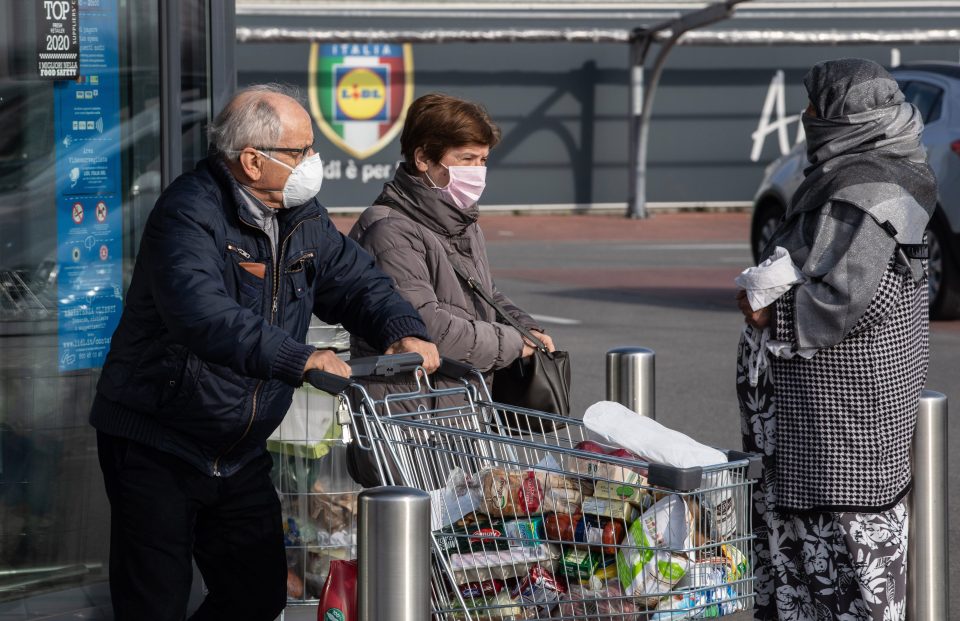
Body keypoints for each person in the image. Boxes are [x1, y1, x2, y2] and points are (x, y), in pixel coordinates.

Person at [88, 84, 439, 621]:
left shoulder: (301, 216)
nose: (313, 163)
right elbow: (201, 313)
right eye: (301, 152)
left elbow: (354, 280)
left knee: (256, 593)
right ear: (253, 160)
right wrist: (298, 358)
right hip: (159, 440)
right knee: (153, 602)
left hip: (238, 448)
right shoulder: (188, 213)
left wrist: (401, 327)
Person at [735, 58, 936, 621]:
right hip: (849, 413)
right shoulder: (891, 166)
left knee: (840, 568)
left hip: (838, 420)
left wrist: (767, 317)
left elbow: (849, 295)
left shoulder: (862, 188)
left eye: (818, 108)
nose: (808, 117)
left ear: (847, 117)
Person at [345, 93, 556, 486]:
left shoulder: (462, 221)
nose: (477, 172)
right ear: (423, 158)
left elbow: (484, 291)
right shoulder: (390, 230)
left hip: (457, 415)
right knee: (420, 540)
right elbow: (426, 327)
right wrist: (512, 343)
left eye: (483, 160)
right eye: (466, 159)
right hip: (409, 424)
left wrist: (526, 328)